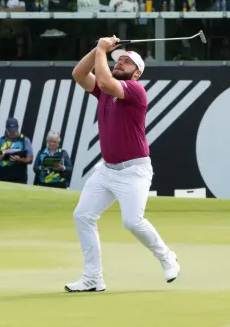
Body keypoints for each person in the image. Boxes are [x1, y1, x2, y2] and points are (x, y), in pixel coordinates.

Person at [65, 40, 180, 292]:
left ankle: (166, 257)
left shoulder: (135, 90)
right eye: (118, 59)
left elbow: (105, 81)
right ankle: (93, 277)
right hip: (106, 170)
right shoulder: (105, 91)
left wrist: (104, 51)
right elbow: (78, 74)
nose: (120, 62)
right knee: (82, 215)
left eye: (126, 61)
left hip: (134, 171)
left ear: (136, 72)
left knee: (131, 221)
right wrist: (97, 48)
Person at [0, 118, 33, 184]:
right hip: (2, 178)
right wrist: (3, 156)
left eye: (14, 130)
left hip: (20, 179)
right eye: (10, 131)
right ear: (6, 129)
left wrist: (20, 159)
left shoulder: (25, 140)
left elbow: (30, 159)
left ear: (18, 128)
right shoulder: (0, 141)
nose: (12, 133)